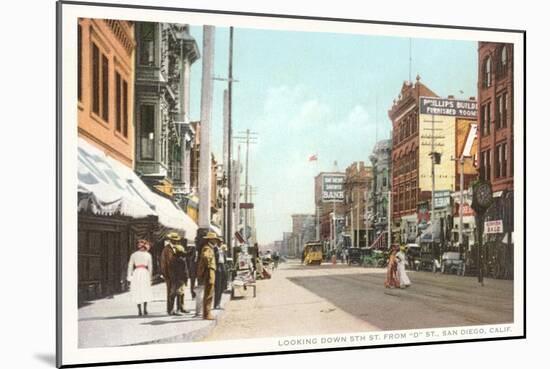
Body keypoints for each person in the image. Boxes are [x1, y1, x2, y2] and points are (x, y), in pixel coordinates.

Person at [196, 232, 221, 320]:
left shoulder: (210, 247)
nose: (215, 241)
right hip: (209, 272)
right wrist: (209, 265)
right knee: (209, 293)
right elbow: (205, 256)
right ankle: (207, 314)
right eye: (214, 239)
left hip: (210, 271)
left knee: (209, 293)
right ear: (210, 240)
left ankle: (207, 313)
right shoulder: (207, 248)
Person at [127, 239, 153, 316]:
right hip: (144, 272)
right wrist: (150, 276)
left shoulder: (134, 254)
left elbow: (130, 266)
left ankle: (140, 310)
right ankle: (144, 309)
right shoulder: (148, 255)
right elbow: (150, 266)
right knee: (144, 290)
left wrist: (129, 275)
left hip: (137, 273)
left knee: (138, 290)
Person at [160, 232, 181, 315]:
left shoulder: (176, 248)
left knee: (176, 291)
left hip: (176, 273)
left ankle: (175, 309)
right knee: (170, 292)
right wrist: (165, 274)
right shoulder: (167, 249)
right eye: (173, 240)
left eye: (176, 240)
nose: (175, 241)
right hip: (170, 273)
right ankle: (170, 310)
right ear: (171, 240)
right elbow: (164, 263)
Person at [172, 244, 190, 313]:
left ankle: (180, 308)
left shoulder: (173, 260)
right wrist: (186, 279)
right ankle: (179, 309)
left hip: (175, 278)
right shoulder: (182, 260)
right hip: (181, 279)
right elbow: (185, 271)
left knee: (179, 293)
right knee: (180, 293)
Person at [213, 243, 227, 309]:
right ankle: (216, 304)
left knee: (222, 287)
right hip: (218, 267)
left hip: (222, 266)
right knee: (218, 287)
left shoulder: (223, 251)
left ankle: (218, 303)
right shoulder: (215, 249)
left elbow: (224, 260)